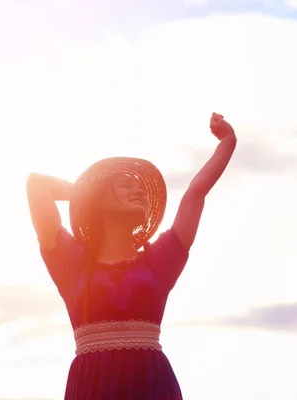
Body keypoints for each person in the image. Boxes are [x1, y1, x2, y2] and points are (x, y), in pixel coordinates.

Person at [26, 112, 237, 399]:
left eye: (141, 190)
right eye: (125, 186)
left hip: (152, 384)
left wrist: (228, 141)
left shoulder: (161, 259)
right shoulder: (70, 262)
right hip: (92, 386)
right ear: (99, 199)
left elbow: (195, 194)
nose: (139, 192)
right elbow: (38, 185)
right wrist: (89, 193)